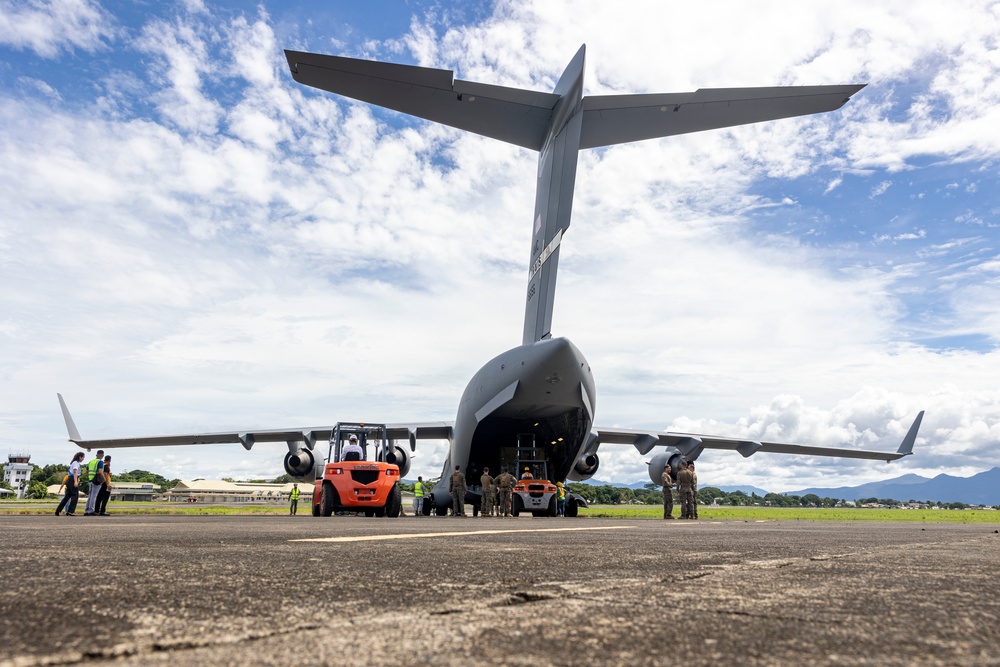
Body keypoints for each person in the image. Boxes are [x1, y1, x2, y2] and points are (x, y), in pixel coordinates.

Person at [55, 452, 85, 516]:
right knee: (75, 496)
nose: (83, 459)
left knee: (67, 496)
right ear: (80, 457)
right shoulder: (76, 463)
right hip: (73, 479)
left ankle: (58, 510)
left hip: (69, 479)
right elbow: (75, 471)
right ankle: (70, 511)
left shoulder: (73, 463)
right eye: (83, 457)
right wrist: (75, 481)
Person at [84, 450, 106, 516]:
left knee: (90, 496)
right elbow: (100, 471)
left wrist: (90, 477)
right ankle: (91, 510)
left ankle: (87, 510)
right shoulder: (100, 462)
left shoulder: (91, 462)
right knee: (94, 496)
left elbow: (86, 472)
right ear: (102, 455)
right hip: (96, 480)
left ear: (96, 455)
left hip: (90, 480)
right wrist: (104, 479)